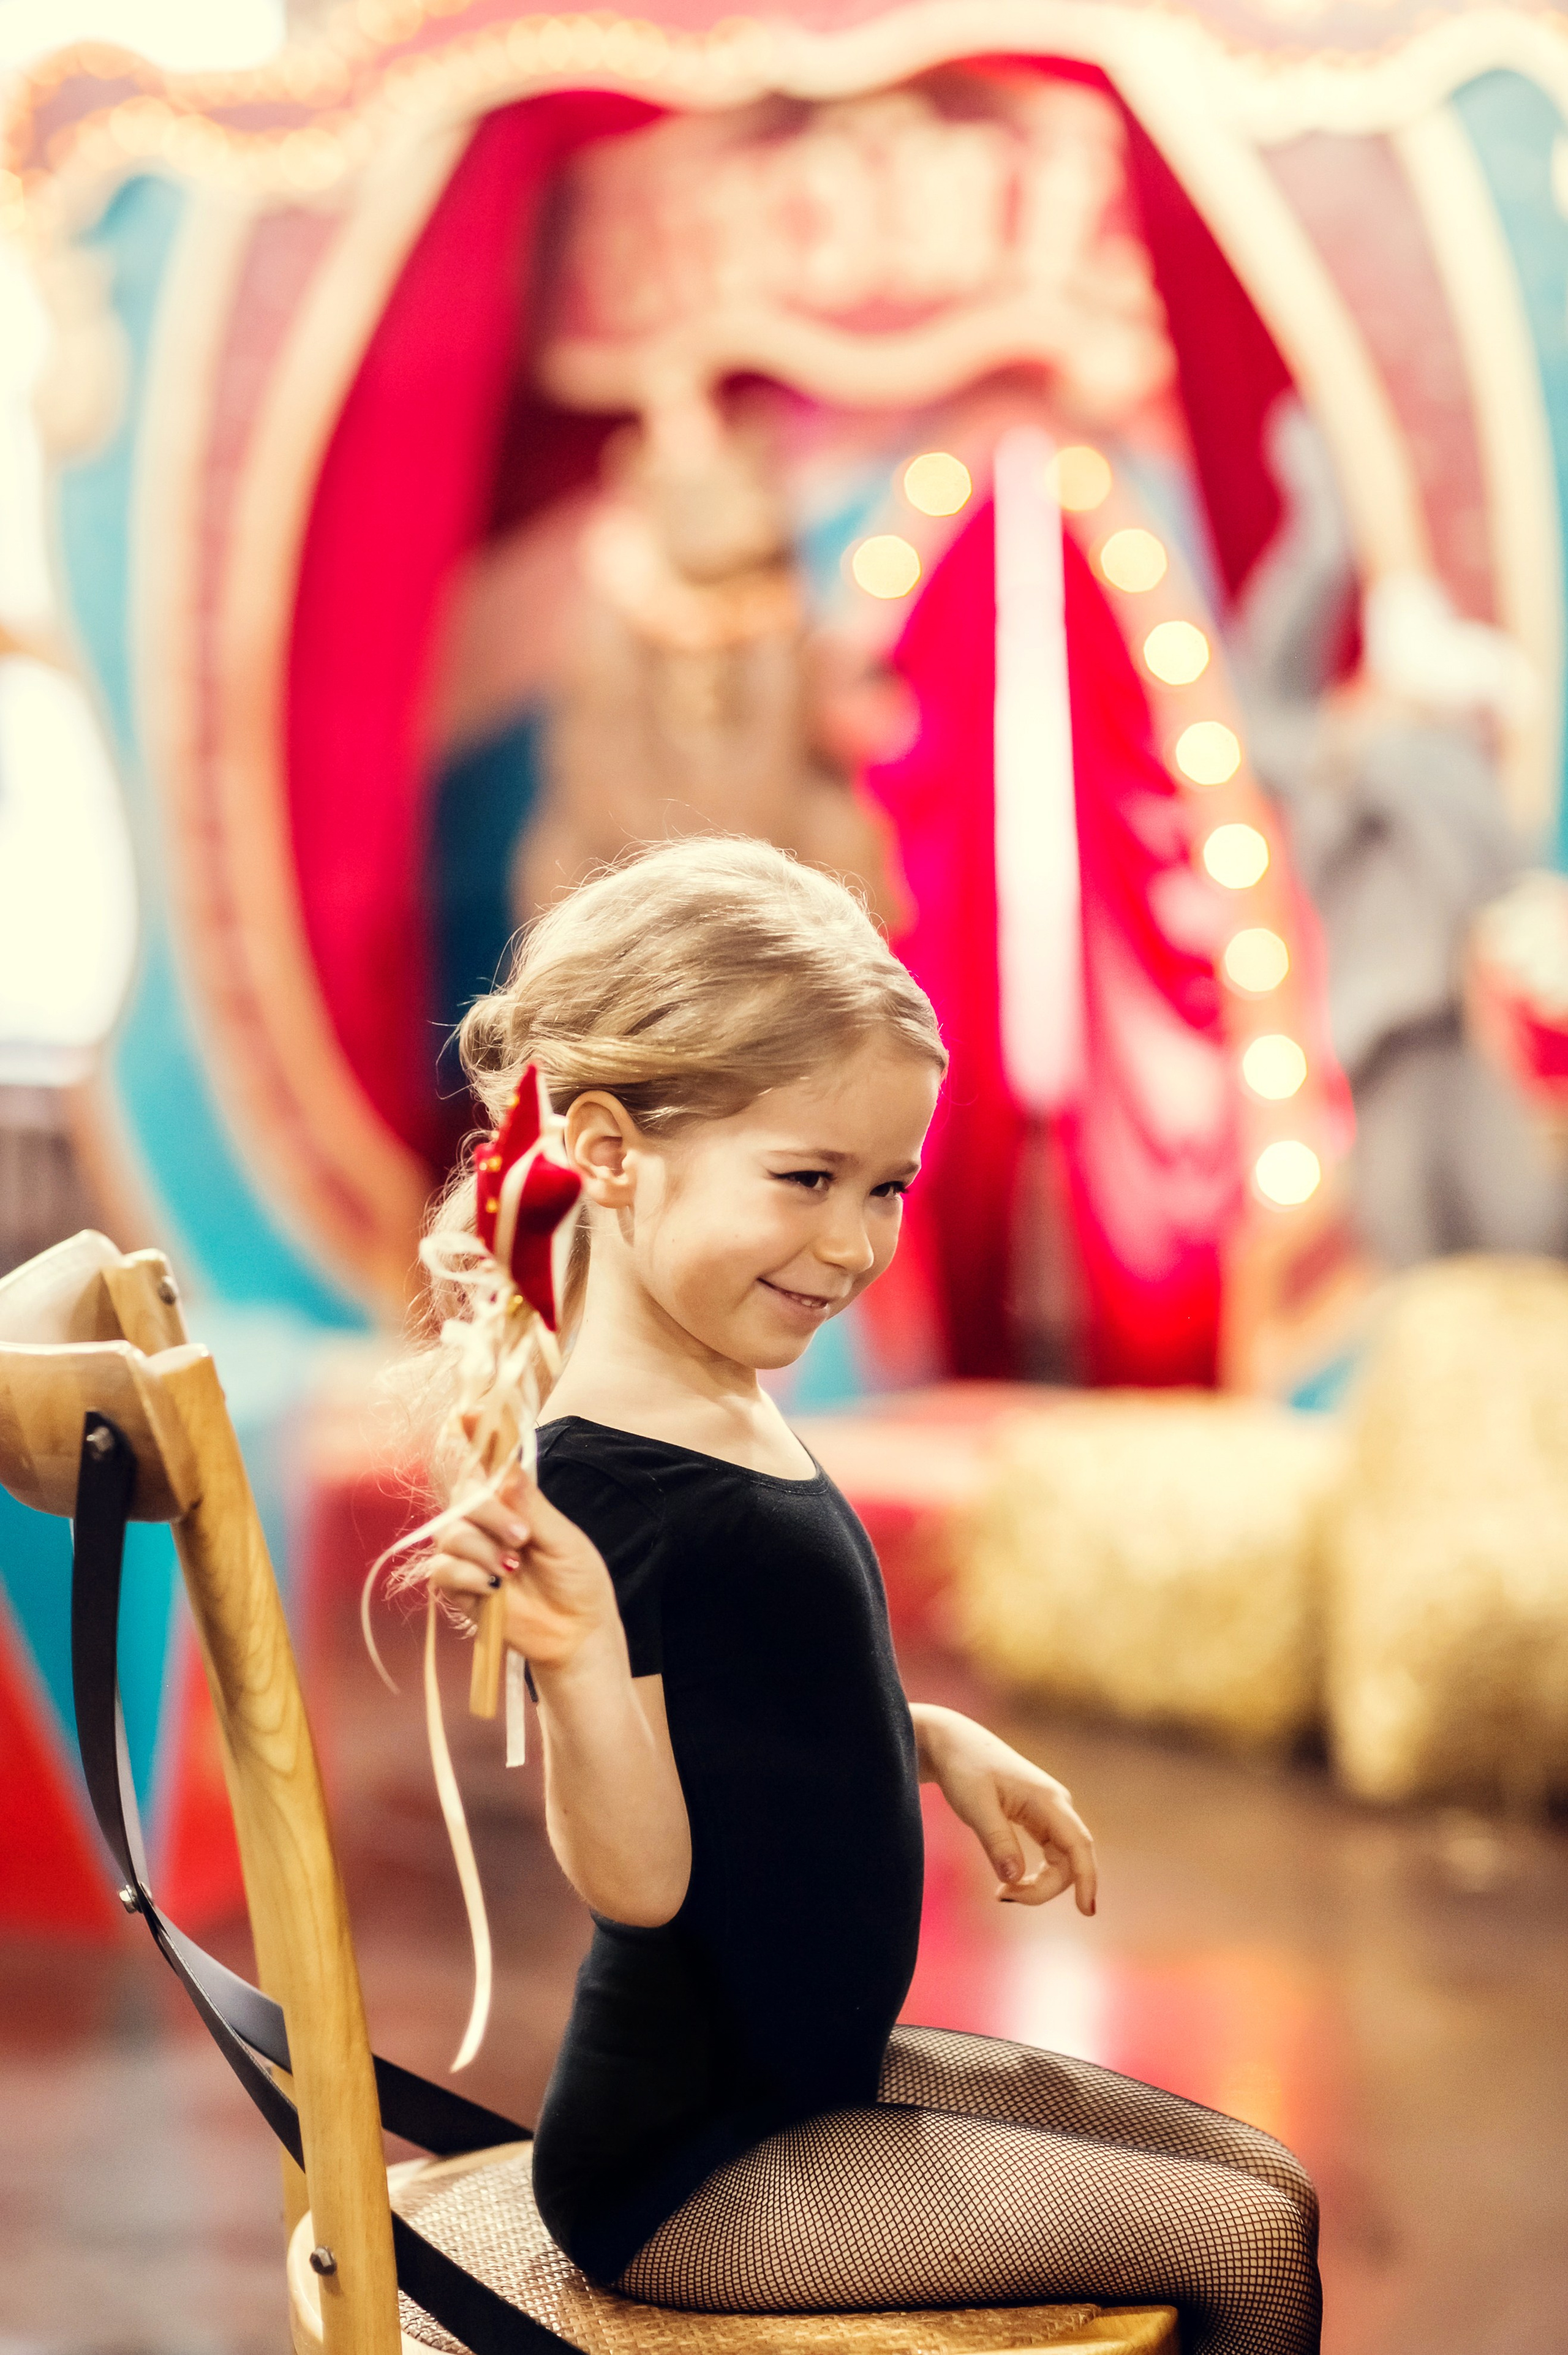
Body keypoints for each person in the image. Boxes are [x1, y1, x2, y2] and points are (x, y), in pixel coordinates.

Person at [419, 837, 1321, 2354]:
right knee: (1235, 2246)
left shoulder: (721, 1397)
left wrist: (924, 1738)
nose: (852, 1245)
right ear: (612, 1149)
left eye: (886, 1185)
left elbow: (749, 1700)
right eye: (805, 1179)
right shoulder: (595, 1493)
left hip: (814, 2067)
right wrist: (572, 1666)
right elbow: (638, 1881)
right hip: (693, 2167)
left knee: (1269, 2186)